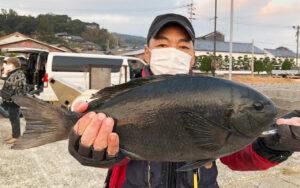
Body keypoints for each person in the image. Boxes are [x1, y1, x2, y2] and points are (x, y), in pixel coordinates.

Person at [68, 13, 300, 188]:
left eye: (183, 46)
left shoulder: (213, 97)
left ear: (192, 58)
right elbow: (114, 157)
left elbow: (237, 155)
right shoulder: (126, 93)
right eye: (162, 45)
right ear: (147, 53)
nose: (172, 51)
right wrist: (91, 149)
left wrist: (274, 144)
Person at [1, 57, 28, 144]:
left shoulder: (17, 74)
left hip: (14, 101)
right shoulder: (15, 72)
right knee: (13, 118)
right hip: (12, 100)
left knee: (14, 118)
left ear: (12, 64)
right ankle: (14, 135)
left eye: (8, 64)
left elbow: (13, 88)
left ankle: (16, 136)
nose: (6, 65)